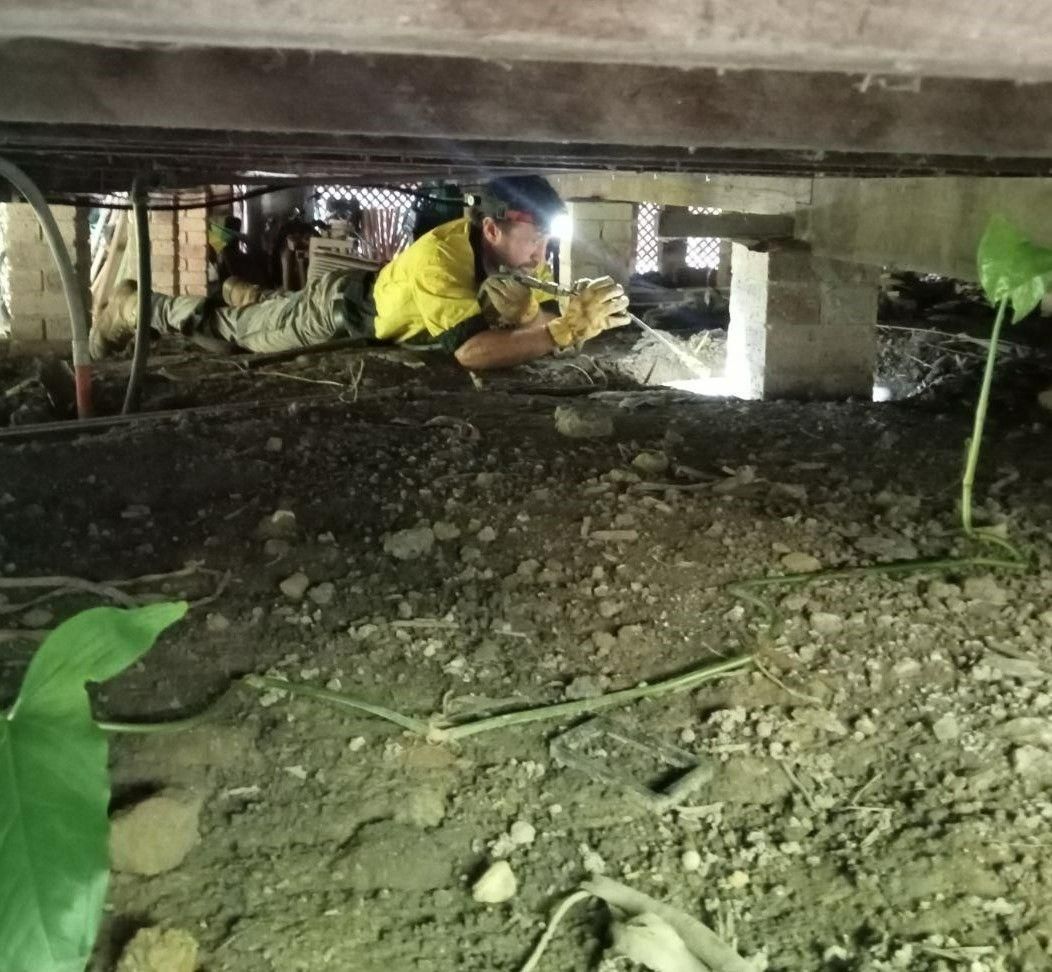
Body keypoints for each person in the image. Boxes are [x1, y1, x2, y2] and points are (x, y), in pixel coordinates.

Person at [89, 176, 630, 370]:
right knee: (233, 336)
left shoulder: (516, 260)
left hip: (365, 293)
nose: (541, 252)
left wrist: (565, 310)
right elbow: (471, 352)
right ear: (492, 230)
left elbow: (526, 322)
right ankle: (137, 306)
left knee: (264, 309)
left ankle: (243, 289)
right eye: (533, 238)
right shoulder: (442, 257)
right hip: (337, 313)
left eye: (544, 240)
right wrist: (563, 331)